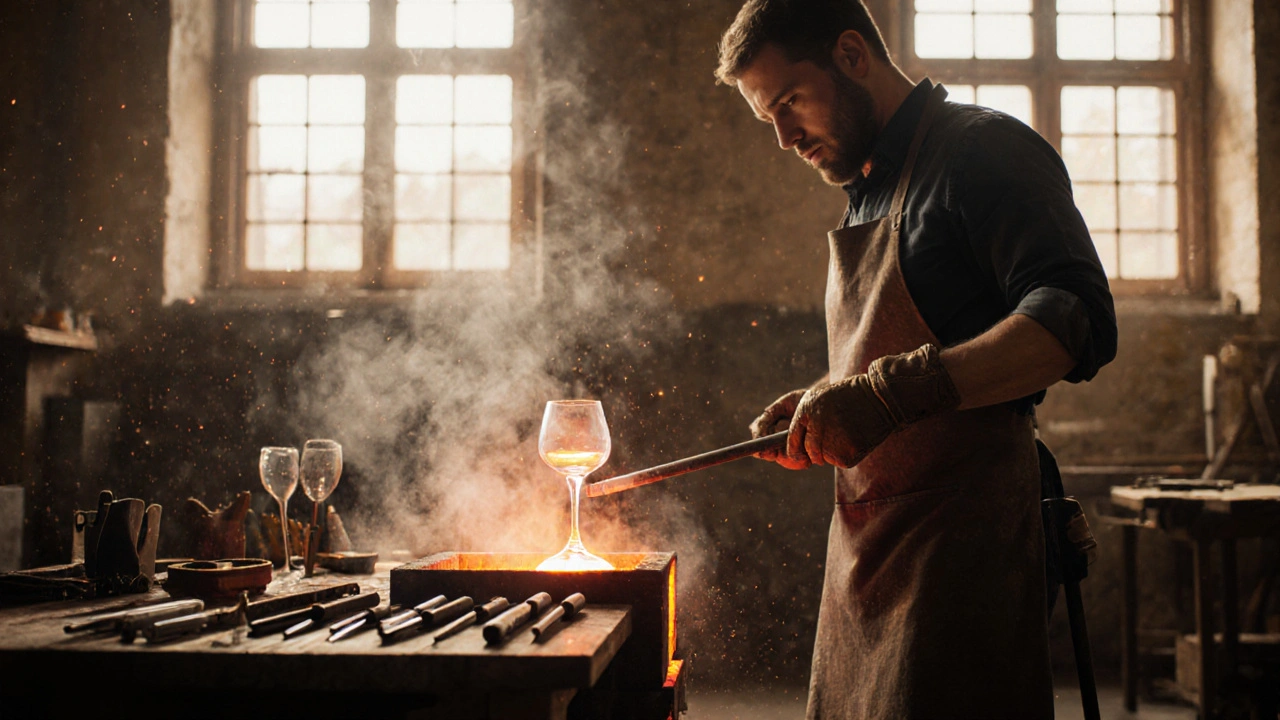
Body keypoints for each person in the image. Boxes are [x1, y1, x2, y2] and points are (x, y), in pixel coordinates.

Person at [715, 1, 1118, 717]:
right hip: (868, 555)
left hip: (966, 552)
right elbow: (910, 348)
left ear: (850, 55)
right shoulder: (866, 190)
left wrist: (887, 396)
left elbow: (1071, 320)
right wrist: (827, 397)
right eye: (765, 118)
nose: (782, 137)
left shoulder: (982, 151)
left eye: (788, 103)